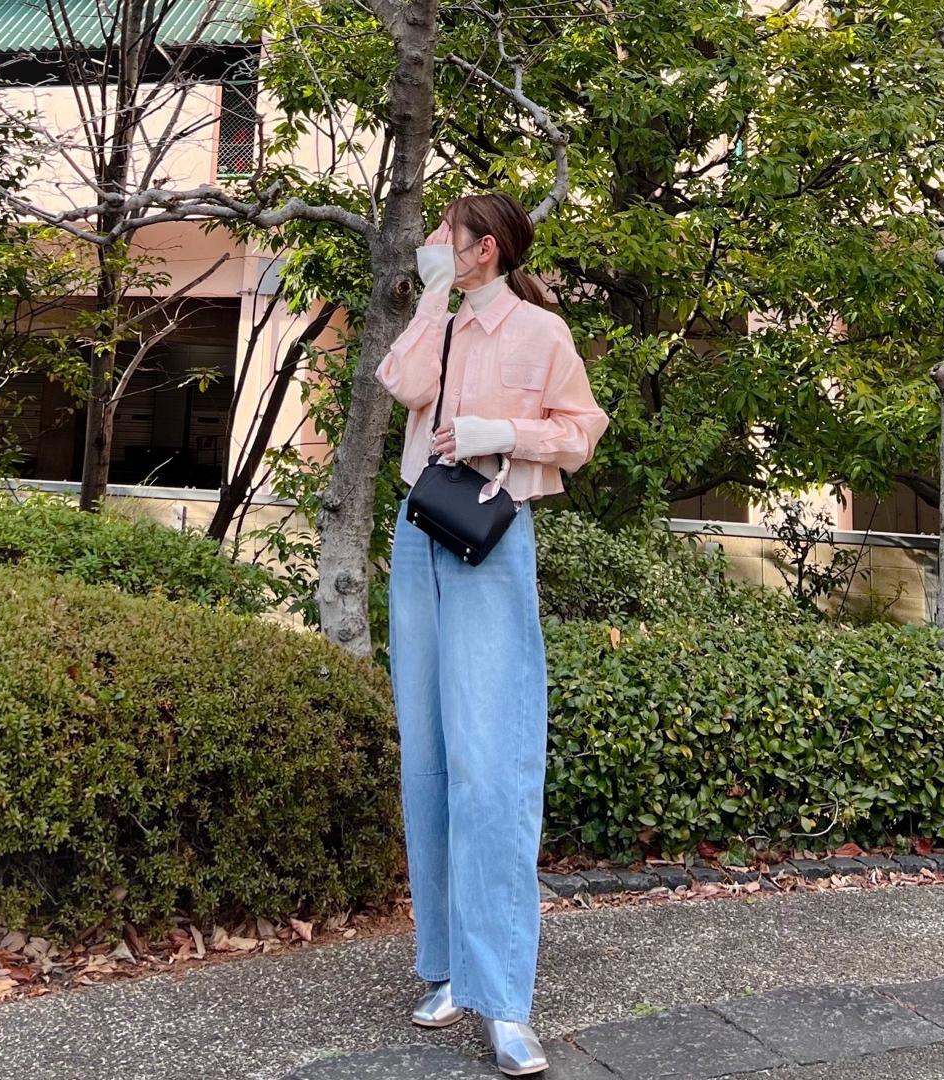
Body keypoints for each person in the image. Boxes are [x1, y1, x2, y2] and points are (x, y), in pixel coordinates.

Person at [374, 191, 609, 1077]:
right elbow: (399, 385)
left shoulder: (541, 332)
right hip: (419, 534)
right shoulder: (440, 320)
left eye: (448, 235)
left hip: (490, 536)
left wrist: (495, 432)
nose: (435, 241)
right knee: (429, 758)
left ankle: (505, 1000)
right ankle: (446, 970)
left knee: (491, 763)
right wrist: (434, 296)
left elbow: (581, 432)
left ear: (486, 250)